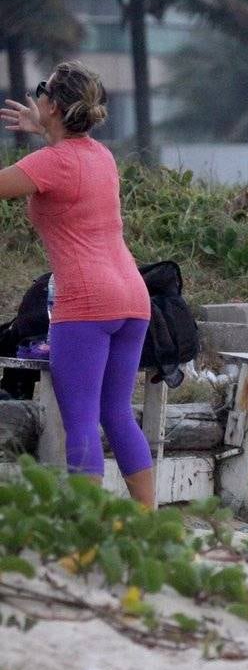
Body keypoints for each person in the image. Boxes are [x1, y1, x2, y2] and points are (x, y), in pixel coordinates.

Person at [0, 62, 155, 506]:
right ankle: (150, 523)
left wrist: (45, 136)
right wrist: (45, 130)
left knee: (82, 420)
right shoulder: (100, 155)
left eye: (41, 90)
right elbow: (65, 165)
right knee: (117, 414)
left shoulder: (51, 162)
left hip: (86, 301)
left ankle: (87, 529)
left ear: (52, 105)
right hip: (133, 297)